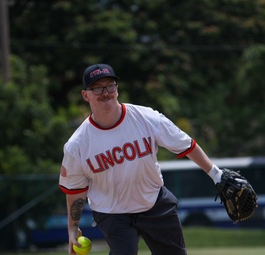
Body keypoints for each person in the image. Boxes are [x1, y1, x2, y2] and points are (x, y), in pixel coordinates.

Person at [59, 63, 223, 255]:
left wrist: (216, 174)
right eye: (96, 88)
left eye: (110, 85)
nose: (105, 92)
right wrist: (72, 229)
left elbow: (186, 145)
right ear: (85, 95)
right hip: (113, 213)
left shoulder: (146, 118)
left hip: (154, 203)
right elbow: (75, 190)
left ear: (117, 89)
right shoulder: (77, 145)